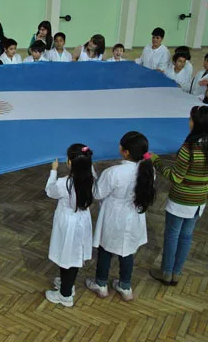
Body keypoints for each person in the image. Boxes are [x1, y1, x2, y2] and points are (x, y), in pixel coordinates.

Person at [149, 106, 208, 286]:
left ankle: (166, 272)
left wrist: (156, 161)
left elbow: (176, 177)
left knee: (172, 235)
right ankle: (177, 273)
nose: (188, 122)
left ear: (196, 123)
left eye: (191, 119)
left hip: (180, 199)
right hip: (200, 200)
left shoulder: (188, 148)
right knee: (186, 236)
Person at [86, 131, 155, 301]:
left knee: (105, 250)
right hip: (133, 215)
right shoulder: (148, 170)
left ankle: (101, 284)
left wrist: (92, 175)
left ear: (125, 152)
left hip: (114, 215)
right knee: (128, 252)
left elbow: (97, 193)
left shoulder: (113, 172)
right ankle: (125, 286)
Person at [44, 144, 94, 308]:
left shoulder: (64, 183)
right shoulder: (91, 177)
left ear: (70, 162)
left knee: (67, 257)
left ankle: (65, 294)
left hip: (68, 223)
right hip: (82, 221)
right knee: (74, 256)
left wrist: (53, 171)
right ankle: (67, 283)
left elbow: (50, 191)